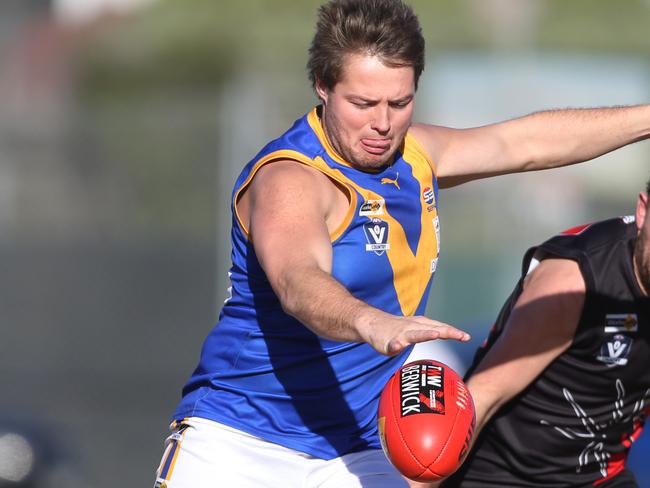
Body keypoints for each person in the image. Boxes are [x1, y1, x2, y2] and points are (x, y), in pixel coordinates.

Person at [153, 1, 650, 486]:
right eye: (363, 104)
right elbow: (297, 281)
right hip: (242, 441)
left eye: (400, 102)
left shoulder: (416, 155)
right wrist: (371, 322)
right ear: (323, 87)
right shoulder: (292, 178)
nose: (383, 124)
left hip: (358, 444)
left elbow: (525, 144)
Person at [440, 181, 650, 487]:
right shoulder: (574, 283)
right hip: (500, 475)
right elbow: (483, 395)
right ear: (642, 212)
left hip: (601, 477)